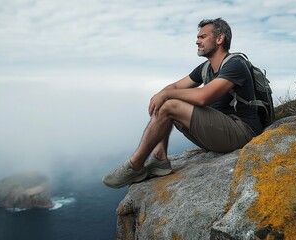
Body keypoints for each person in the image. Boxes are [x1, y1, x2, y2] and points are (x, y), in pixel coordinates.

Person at [103, 18, 263, 189]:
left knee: (170, 104)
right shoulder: (205, 68)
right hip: (221, 131)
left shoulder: (235, 65)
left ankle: (135, 166)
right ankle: (159, 158)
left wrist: (165, 95)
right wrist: (160, 94)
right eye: (198, 37)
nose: (197, 41)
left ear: (219, 39)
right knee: (166, 102)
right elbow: (177, 86)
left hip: (243, 132)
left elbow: (203, 97)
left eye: (202, 37)